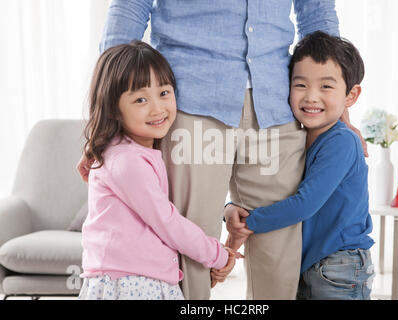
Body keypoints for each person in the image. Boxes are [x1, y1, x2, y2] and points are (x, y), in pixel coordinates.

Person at [78, 0, 367, 300]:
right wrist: (105, 113)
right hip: (191, 96)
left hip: (276, 100)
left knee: (279, 249)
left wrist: (339, 105)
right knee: (190, 242)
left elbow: (316, 6)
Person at [77, 40, 235, 300]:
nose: (157, 108)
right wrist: (217, 254)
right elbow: (168, 221)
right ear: (114, 109)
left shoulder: (128, 153)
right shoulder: (127, 162)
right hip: (131, 283)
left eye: (164, 93)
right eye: (140, 99)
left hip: (136, 279)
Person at [226, 31, 375, 300]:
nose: (311, 97)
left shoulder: (342, 140)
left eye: (326, 87)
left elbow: (304, 203)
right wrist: (229, 207)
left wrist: (251, 222)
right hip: (308, 262)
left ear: (351, 96)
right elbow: (273, 189)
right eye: (300, 85)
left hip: (339, 264)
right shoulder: (296, 136)